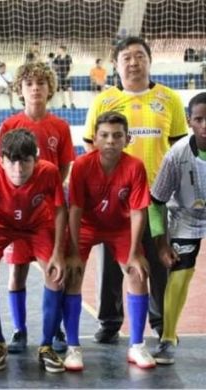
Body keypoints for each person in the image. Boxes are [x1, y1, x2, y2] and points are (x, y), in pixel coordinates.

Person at [84, 36, 187, 344]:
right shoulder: (104, 100)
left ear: (149, 60)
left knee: (157, 259)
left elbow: (179, 147)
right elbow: (91, 144)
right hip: (114, 200)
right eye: (126, 57)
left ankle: (160, 322)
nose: (133, 61)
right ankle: (110, 321)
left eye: (139, 55)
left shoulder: (169, 99)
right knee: (112, 265)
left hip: (155, 199)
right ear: (116, 64)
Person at [66, 111, 156, 370]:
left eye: (117, 136)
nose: (110, 141)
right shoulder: (82, 165)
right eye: (104, 135)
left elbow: (139, 211)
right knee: (72, 273)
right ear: (94, 138)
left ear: (127, 139)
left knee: (138, 273)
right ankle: (73, 347)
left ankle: (137, 345)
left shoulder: (135, 166)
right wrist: (72, 250)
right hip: (87, 226)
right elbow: (75, 209)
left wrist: (136, 253)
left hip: (120, 227)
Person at [0, 129, 67, 373]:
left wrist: (58, 251)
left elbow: (59, 209)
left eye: (25, 160)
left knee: (56, 275)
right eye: (12, 161)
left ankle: (46, 346)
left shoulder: (48, 172)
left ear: (35, 160)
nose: (18, 168)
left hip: (37, 224)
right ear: (1, 160)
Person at [0, 61, 75, 353]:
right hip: (16, 212)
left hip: (46, 213)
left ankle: (54, 330)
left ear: (50, 89)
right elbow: (2, 166)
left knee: (53, 271)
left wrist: (49, 190)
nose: (35, 89)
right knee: (16, 272)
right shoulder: (10, 126)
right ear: (20, 89)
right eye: (29, 84)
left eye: (41, 84)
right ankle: (19, 331)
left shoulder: (60, 126)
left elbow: (65, 164)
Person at [149, 92, 206, 365]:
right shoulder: (177, 155)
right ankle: (168, 339)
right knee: (180, 276)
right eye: (199, 119)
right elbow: (156, 201)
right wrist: (161, 242)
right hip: (186, 217)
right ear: (189, 121)